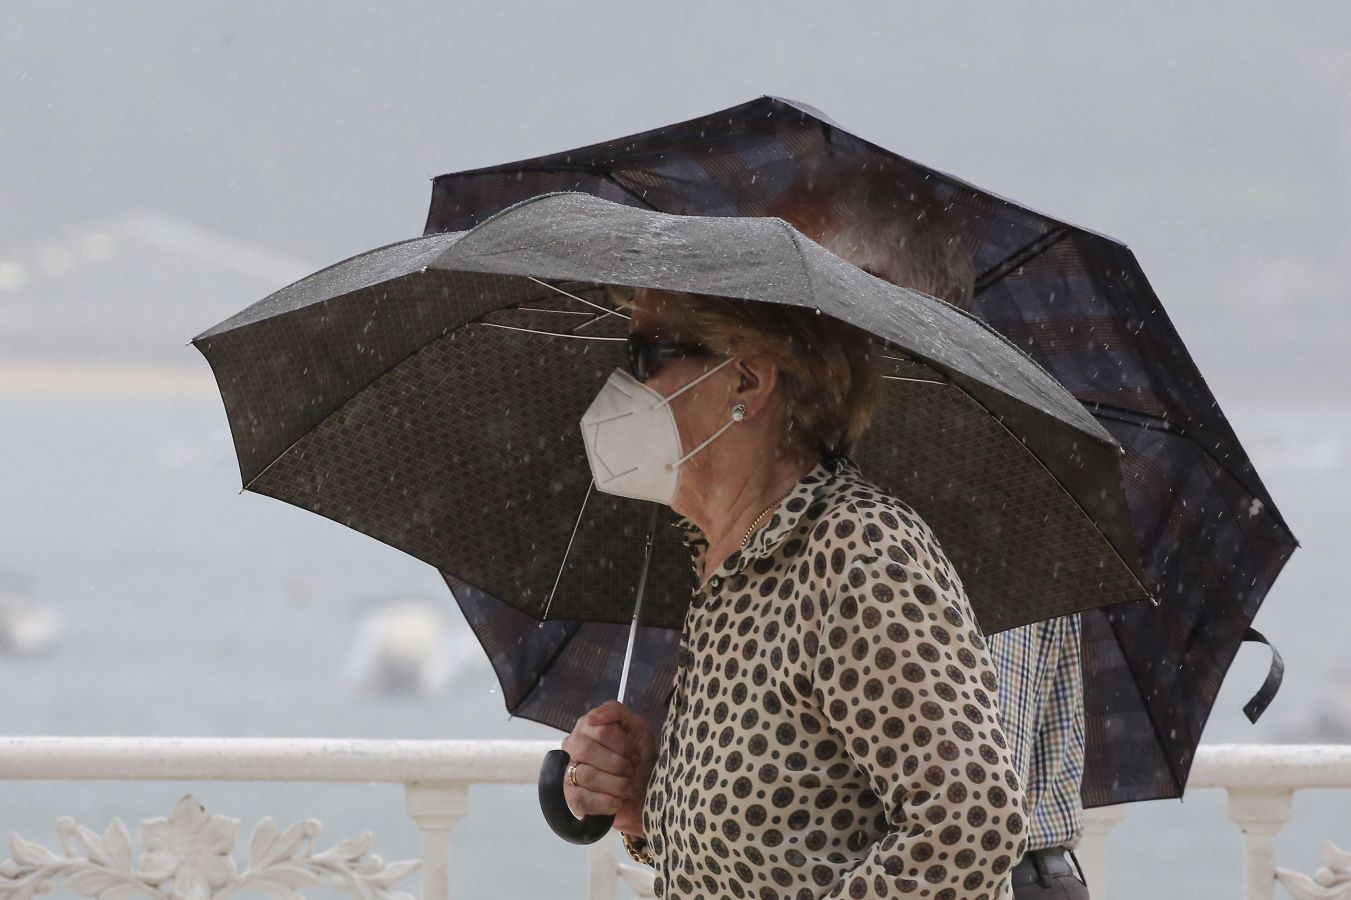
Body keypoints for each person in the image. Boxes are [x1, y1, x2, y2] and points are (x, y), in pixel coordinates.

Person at [562, 281, 1027, 899]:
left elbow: (971, 824)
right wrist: (647, 802)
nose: (625, 384)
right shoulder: (726, 568)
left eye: (647, 356)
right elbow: (769, 849)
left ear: (748, 382)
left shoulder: (856, 548)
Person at [763, 164, 1091, 899]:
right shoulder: (812, 496)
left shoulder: (949, 506)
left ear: (874, 305)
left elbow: (958, 828)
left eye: (789, 286)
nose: (758, 318)